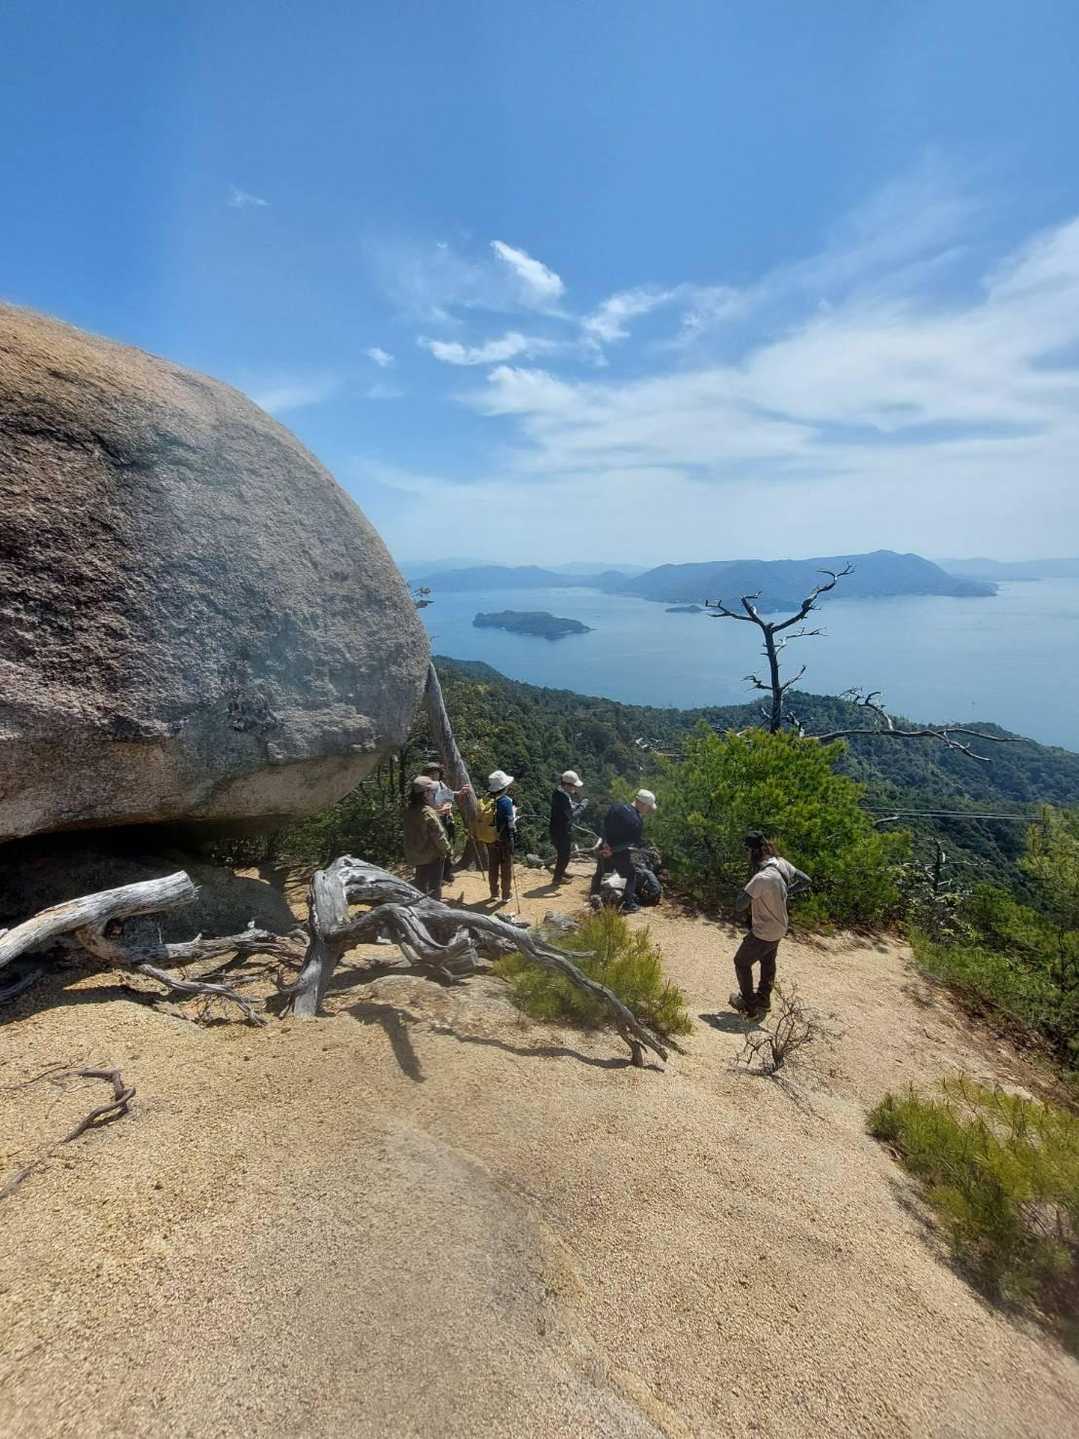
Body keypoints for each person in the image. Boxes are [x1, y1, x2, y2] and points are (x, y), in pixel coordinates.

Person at [729, 832, 811, 1018]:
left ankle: (749, 1006)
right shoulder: (781, 863)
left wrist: (746, 889)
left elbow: (740, 905)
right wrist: (787, 892)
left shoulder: (762, 878)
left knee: (741, 962)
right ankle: (763, 1000)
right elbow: (806, 880)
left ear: (751, 851)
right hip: (780, 927)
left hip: (764, 931)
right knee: (767, 962)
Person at [589, 789, 657, 913]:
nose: (648, 810)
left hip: (604, 847)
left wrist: (605, 844)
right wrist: (612, 850)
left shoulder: (617, 806)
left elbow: (604, 826)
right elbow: (631, 843)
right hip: (618, 852)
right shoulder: (637, 821)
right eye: (648, 807)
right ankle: (628, 904)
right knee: (631, 875)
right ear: (642, 803)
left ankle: (593, 895)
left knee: (600, 872)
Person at [403, 775, 451, 900]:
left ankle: (420, 906)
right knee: (434, 887)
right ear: (425, 793)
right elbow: (438, 835)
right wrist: (447, 849)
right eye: (431, 792)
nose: (433, 794)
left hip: (416, 854)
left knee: (420, 883)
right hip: (432, 855)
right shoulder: (428, 812)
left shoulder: (409, 810)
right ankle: (435, 908)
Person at [421, 760, 460, 883]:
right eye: (431, 773)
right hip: (433, 821)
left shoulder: (441, 785)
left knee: (447, 846)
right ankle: (436, 876)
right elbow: (423, 809)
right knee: (436, 848)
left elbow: (448, 796)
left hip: (446, 819)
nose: (434, 775)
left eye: (436, 773)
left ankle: (446, 873)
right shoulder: (423, 789)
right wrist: (440, 810)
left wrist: (450, 803)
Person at [485, 769, 516, 904]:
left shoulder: (486, 801)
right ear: (504, 786)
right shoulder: (506, 801)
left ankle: (494, 893)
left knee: (492, 866)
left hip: (490, 839)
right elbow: (510, 824)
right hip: (504, 840)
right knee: (506, 868)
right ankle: (506, 895)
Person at [549, 770, 585, 885]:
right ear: (567, 785)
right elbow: (571, 816)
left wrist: (575, 805)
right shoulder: (562, 797)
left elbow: (567, 808)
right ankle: (557, 878)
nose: (575, 788)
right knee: (564, 855)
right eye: (574, 786)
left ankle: (561, 872)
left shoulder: (559, 792)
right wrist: (582, 806)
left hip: (558, 828)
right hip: (561, 830)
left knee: (564, 853)